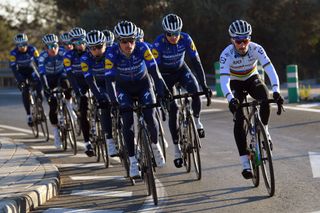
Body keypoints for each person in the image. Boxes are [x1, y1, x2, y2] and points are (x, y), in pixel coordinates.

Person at [219, 19, 284, 179]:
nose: (242, 44)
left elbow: (270, 69)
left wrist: (276, 91)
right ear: (232, 40)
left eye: (246, 40)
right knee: (239, 119)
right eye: (238, 41)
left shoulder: (256, 49)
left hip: (252, 78)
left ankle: (265, 132)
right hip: (235, 82)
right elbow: (224, 80)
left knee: (265, 96)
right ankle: (245, 163)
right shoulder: (226, 54)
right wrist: (230, 99)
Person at [105, 21, 167, 178]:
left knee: (151, 116)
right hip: (123, 89)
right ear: (119, 41)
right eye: (124, 41)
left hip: (143, 85)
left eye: (131, 40)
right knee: (128, 122)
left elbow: (155, 72)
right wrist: (113, 102)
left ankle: (154, 145)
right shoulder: (111, 53)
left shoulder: (142, 48)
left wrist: (160, 94)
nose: (128, 45)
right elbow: (109, 81)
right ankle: (133, 161)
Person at [152, 13, 212, 168]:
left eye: (176, 33)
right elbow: (155, 70)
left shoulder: (186, 38)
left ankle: (197, 122)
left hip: (181, 70)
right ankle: (177, 149)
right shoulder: (158, 44)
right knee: (174, 109)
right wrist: (161, 92)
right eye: (170, 34)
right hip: (165, 75)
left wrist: (204, 84)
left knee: (195, 89)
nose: (173, 37)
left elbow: (196, 62)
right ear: (164, 32)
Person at [80, 30, 118, 157]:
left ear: (105, 44)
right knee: (105, 105)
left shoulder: (112, 52)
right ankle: (109, 139)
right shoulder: (85, 58)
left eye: (99, 47)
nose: (96, 50)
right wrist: (99, 97)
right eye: (92, 48)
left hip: (116, 82)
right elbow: (89, 80)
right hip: (101, 84)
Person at [39, 33, 73, 149]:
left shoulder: (63, 53)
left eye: (54, 45)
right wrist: (47, 88)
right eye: (48, 47)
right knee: (52, 106)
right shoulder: (42, 57)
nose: (52, 49)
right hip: (49, 79)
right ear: (45, 48)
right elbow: (42, 74)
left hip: (61, 76)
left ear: (58, 45)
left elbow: (68, 68)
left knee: (67, 84)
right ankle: (56, 133)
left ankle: (68, 105)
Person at [64, 27, 94, 157]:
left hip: (92, 80)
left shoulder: (91, 51)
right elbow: (70, 76)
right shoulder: (68, 56)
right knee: (83, 111)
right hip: (79, 83)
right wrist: (77, 92)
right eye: (76, 43)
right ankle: (87, 142)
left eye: (82, 41)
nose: (80, 45)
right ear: (72, 44)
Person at [9, 33, 42, 126]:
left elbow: (39, 63)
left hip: (31, 71)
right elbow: (14, 69)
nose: (22, 47)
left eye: (24, 44)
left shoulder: (33, 49)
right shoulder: (13, 53)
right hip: (21, 73)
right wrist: (20, 80)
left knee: (39, 85)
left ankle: (39, 106)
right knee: (25, 91)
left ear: (27, 43)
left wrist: (40, 75)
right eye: (19, 45)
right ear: (16, 45)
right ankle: (28, 115)